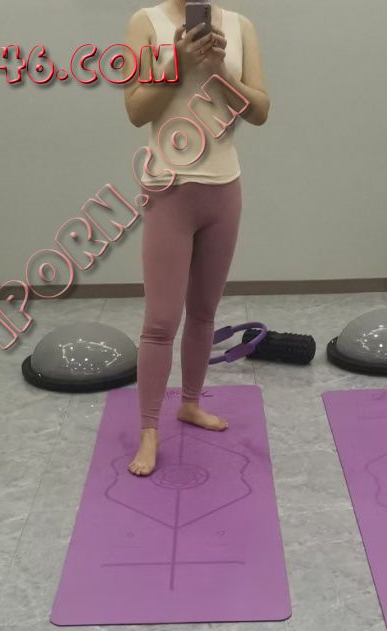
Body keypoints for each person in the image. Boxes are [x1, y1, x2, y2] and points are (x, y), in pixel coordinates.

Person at [122, 1, 270, 475]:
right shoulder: (145, 23)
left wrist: (219, 71)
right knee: (161, 322)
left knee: (204, 312)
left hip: (224, 190)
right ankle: (149, 430)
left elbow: (260, 110)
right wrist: (178, 65)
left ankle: (190, 402)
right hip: (169, 190)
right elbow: (135, 109)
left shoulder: (241, 26)